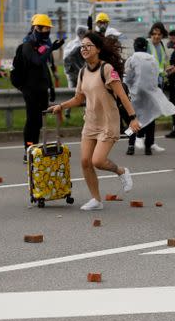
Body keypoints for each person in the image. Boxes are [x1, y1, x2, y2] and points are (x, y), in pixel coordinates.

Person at [49, 32, 140, 211]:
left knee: (97, 161)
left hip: (108, 122)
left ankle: (121, 171)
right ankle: (96, 200)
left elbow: (121, 95)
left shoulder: (106, 69)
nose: (84, 49)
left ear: (98, 49)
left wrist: (133, 118)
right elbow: (78, 98)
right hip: (90, 122)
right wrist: (61, 106)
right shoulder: (83, 72)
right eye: (82, 46)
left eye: (88, 45)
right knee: (85, 161)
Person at [124, 37, 175, 155]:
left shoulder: (131, 59)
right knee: (150, 119)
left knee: (133, 119)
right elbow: (156, 75)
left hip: (136, 94)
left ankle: (131, 145)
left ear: (135, 46)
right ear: (146, 47)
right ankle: (148, 146)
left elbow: (128, 78)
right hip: (150, 94)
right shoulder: (153, 59)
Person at [18, 14, 58, 155]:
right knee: (32, 120)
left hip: (42, 88)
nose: (47, 31)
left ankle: (34, 147)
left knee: (39, 121)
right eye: (44, 28)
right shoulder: (27, 44)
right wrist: (50, 49)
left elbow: (44, 68)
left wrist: (51, 87)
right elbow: (37, 61)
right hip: (29, 88)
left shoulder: (45, 44)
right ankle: (28, 149)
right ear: (36, 28)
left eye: (49, 28)